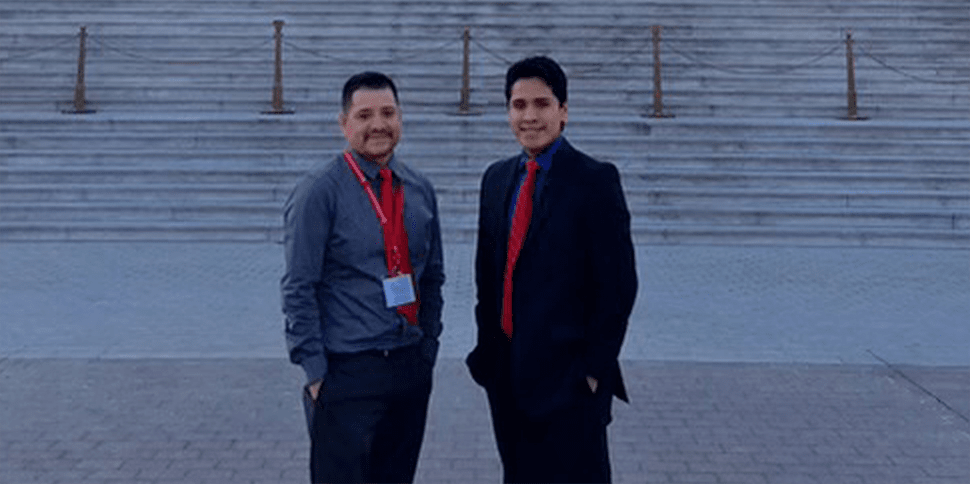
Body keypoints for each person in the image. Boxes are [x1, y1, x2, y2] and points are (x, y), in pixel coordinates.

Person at [466, 56, 638, 483]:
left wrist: (593, 371)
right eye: (518, 105)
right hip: (507, 378)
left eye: (541, 104)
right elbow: (487, 277)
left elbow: (618, 286)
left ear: (563, 110)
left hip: (571, 385)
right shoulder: (497, 179)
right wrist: (488, 356)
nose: (529, 116)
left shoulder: (594, 180)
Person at [281, 71, 445, 484]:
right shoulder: (320, 191)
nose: (378, 125)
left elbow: (433, 278)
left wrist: (427, 350)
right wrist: (317, 373)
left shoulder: (420, 189)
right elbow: (299, 287)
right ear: (344, 123)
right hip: (347, 372)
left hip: (408, 367)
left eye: (388, 113)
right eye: (365, 114)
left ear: (401, 118)